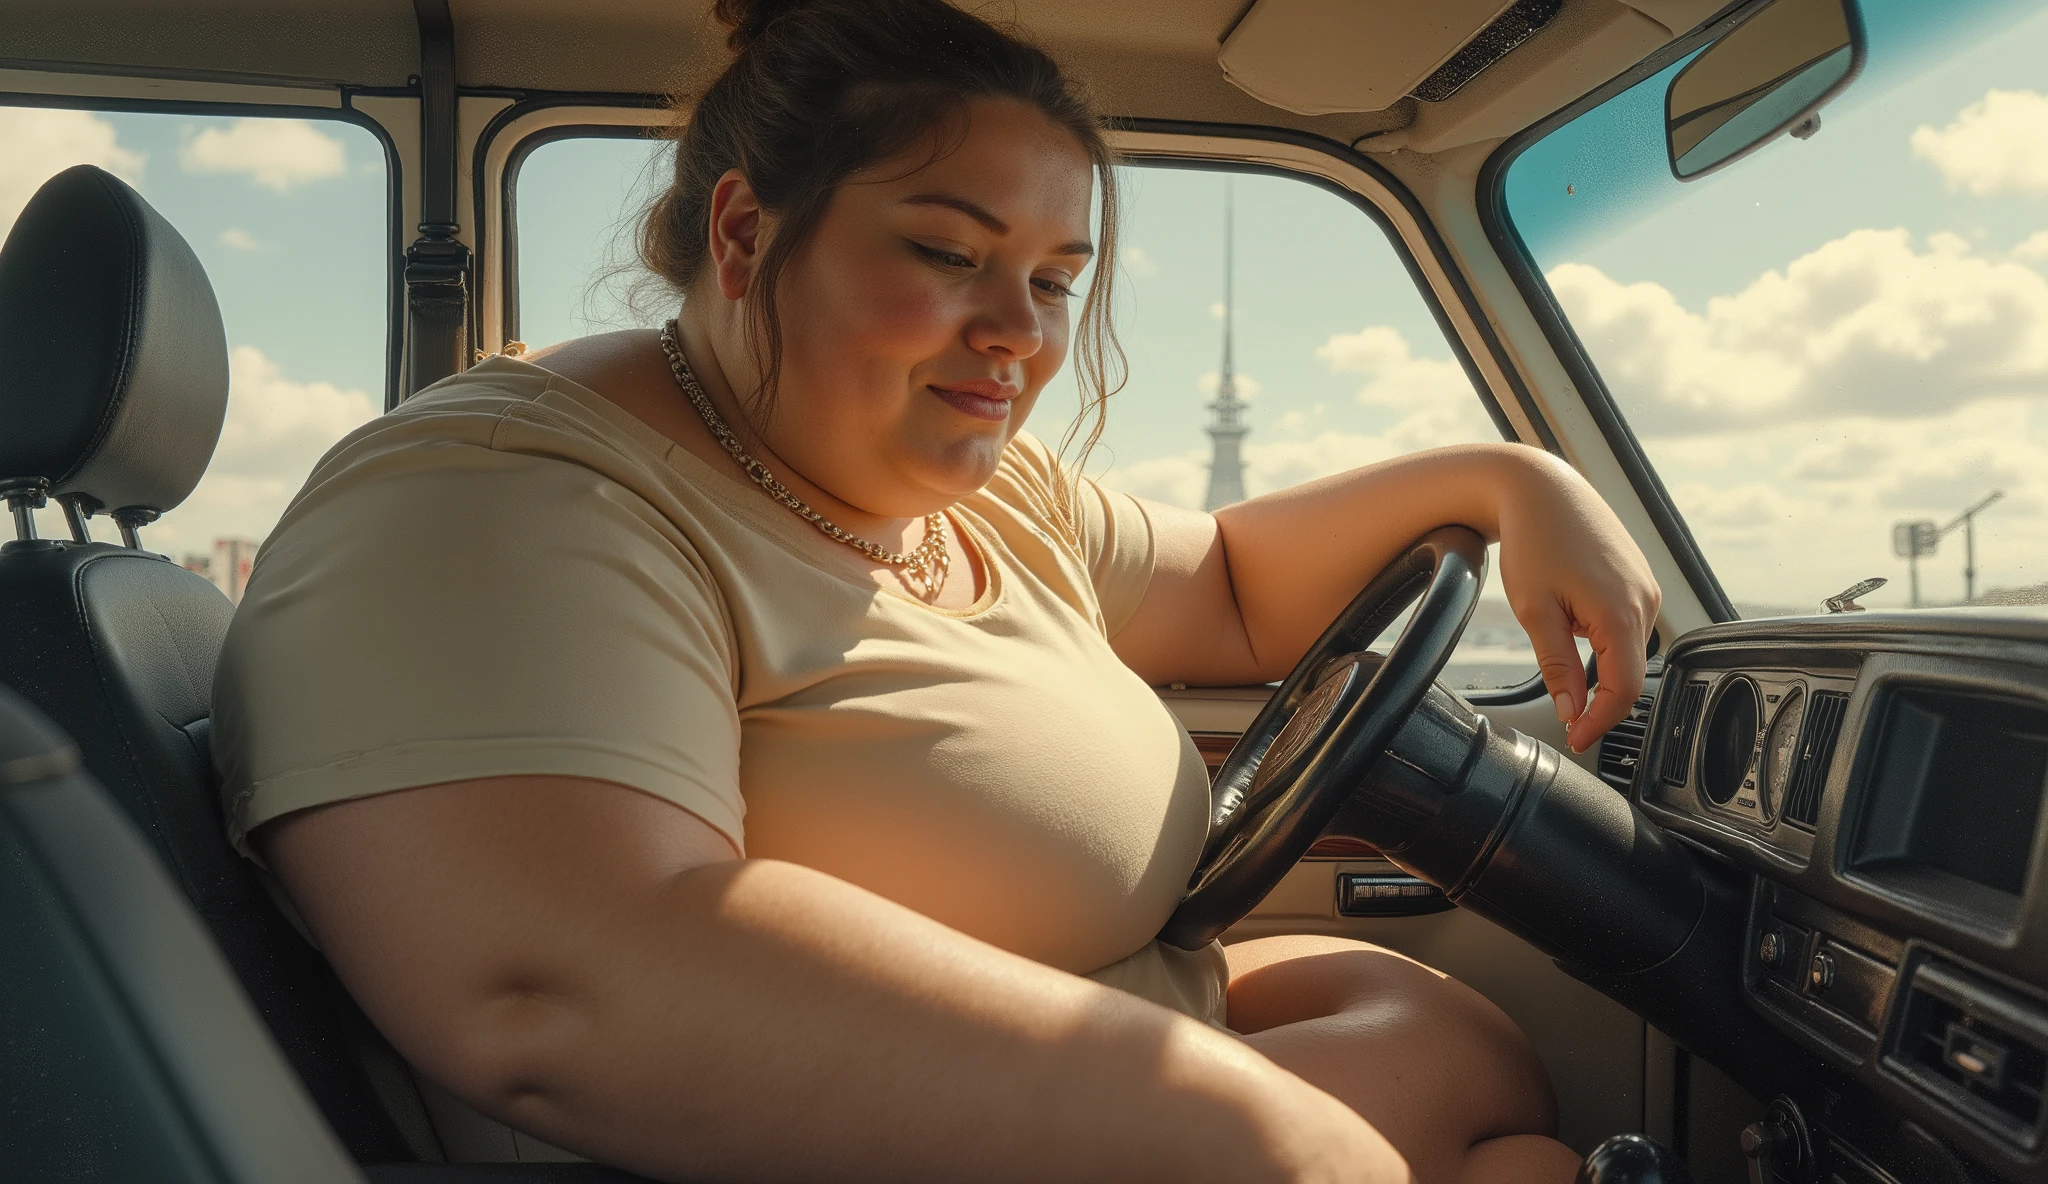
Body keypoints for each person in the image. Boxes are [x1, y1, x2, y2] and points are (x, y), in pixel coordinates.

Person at [212, 1, 1660, 1180]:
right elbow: (565, 988)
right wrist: (1263, 1138)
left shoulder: (957, 488)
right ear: (742, 235)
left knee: (1481, 1093)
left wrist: (1513, 478)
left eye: (1053, 280)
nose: (1017, 337)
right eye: (948, 255)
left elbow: (1228, 585)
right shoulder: (493, 505)